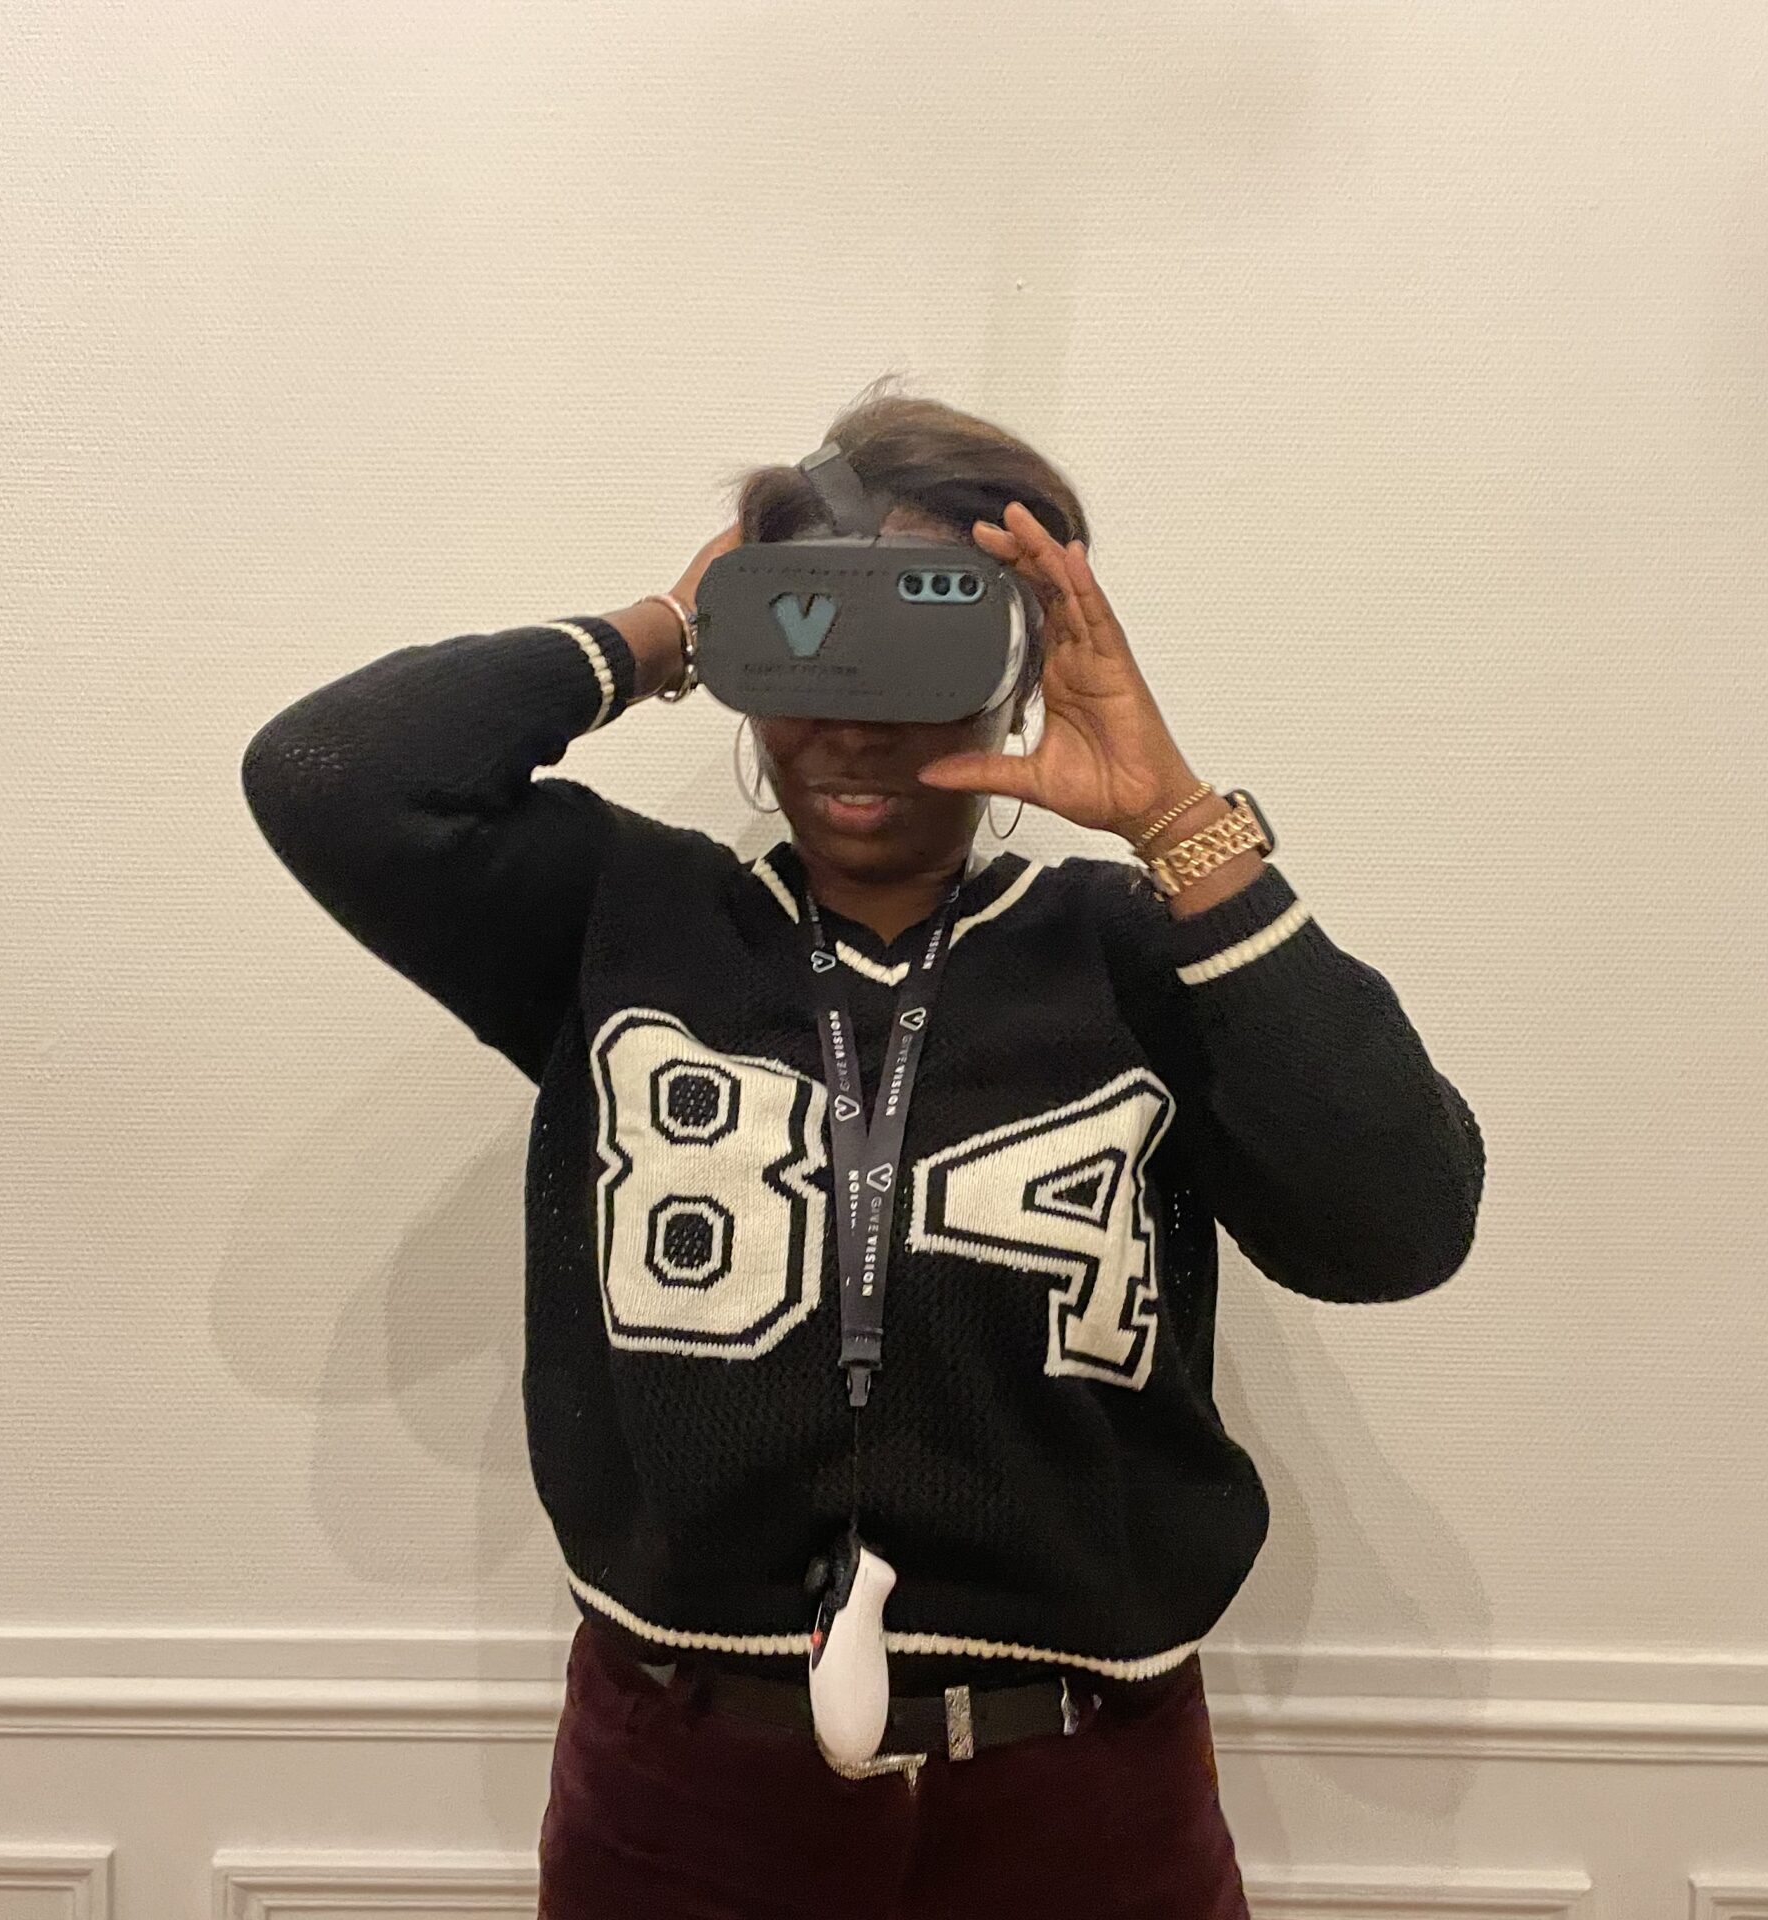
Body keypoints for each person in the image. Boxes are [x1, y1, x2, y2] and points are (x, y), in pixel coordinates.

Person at [240, 384, 1486, 1919]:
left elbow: (1401, 1226)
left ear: (1017, 668)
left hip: (1084, 1792)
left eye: (922, 645)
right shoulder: (620, 923)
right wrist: (663, 633)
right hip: (683, 1789)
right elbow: (332, 776)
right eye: (805, 636)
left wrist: (1177, 823)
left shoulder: (1135, 956)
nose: (852, 716)